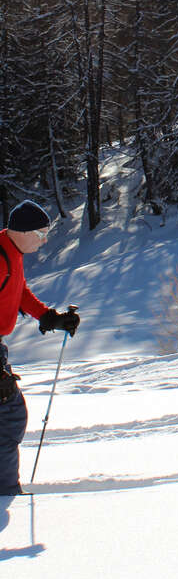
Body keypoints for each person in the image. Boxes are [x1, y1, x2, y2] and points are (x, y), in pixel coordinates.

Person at [0, 200, 80, 495]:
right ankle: (5, 492)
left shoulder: (12, 252)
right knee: (8, 420)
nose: (45, 239)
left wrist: (49, 317)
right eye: (41, 233)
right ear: (22, 232)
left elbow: (18, 289)